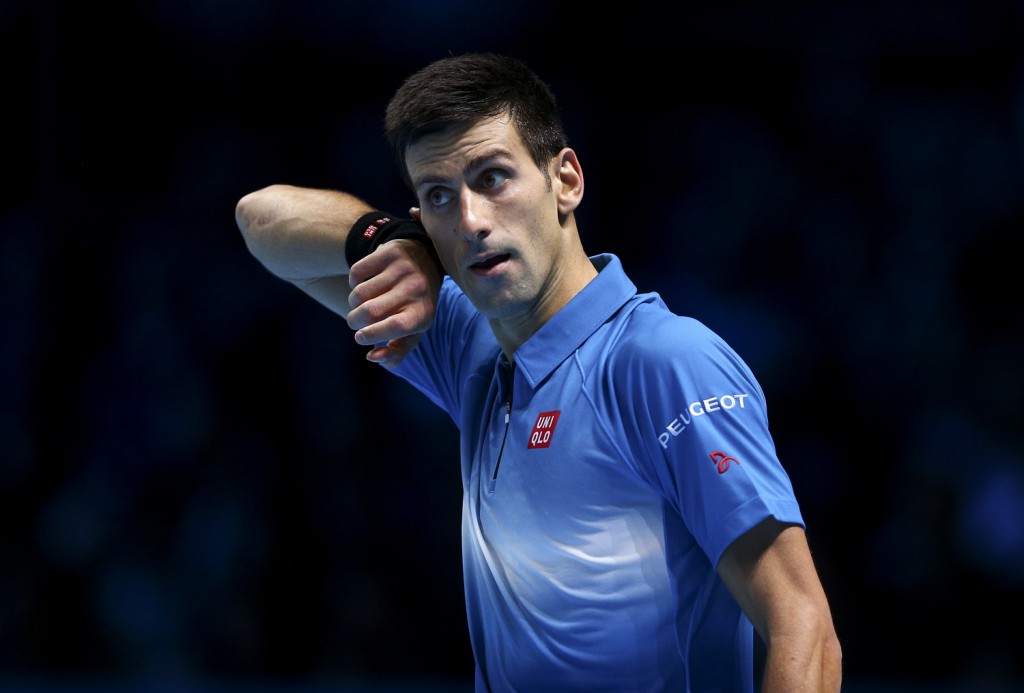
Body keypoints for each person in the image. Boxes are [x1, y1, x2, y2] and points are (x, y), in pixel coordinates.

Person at [235, 52, 842, 692]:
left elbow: (801, 625)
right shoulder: (466, 346)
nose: (470, 220)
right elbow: (261, 221)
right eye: (439, 196)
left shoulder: (662, 361)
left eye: (492, 178)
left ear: (566, 180)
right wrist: (385, 239)